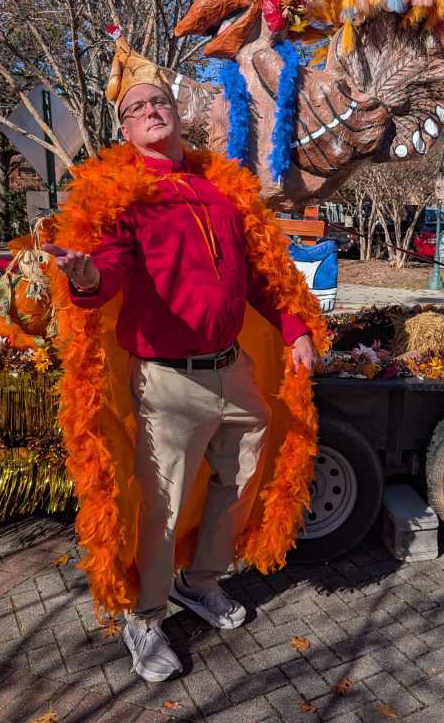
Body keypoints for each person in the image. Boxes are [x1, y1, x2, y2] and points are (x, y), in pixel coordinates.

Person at [44, 39, 326, 683]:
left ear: (177, 114)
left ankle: (200, 583)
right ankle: (144, 620)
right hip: (167, 382)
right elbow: (106, 269)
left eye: (159, 101)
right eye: (137, 107)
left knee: (244, 479)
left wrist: (292, 327)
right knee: (161, 507)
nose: (150, 110)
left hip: (235, 372)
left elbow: (260, 273)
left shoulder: (222, 189)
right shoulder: (124, 196)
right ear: (125, 128)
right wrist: (86, 274)